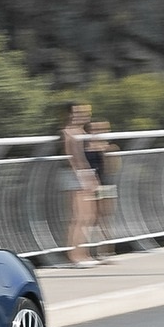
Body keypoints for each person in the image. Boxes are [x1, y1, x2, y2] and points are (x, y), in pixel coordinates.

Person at [58, 100, 98, 267]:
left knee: (88, 216)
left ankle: (83, 253)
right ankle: (74, 255)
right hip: (74, 175)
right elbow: (72, 157)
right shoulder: (68, 132)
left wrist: (90, 175)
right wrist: (83, 176)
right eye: (75, 112)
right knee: (78, 217)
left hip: (85, 174)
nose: (79, 115)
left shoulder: (82, 131)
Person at [84, 118, 119, 261]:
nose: (98, 132)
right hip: (90, 185)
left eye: (102, 129)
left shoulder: (110, 147)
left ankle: (106, 252)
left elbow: (113, 168)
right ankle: (90, 252)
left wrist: (106, 153)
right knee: (90, 218)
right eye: (94, 129)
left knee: (105, 218)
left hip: (106, 183)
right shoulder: (84, 148)